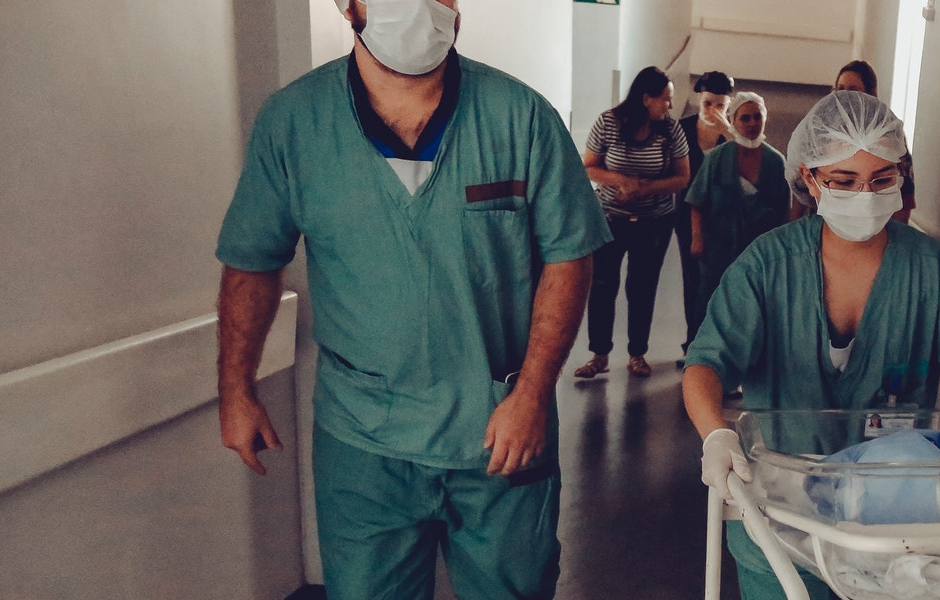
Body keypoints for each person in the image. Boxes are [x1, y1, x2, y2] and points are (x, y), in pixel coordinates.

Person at [214, 1, 609, 598]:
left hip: (498, 426)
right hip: (364, 442)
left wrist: (532, 393)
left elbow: (569, 255)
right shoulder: (295, 123)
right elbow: (252, 260)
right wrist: (236, 388)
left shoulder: (520, 117)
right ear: (349, 5)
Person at [682, 91, 940, 600]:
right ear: (810, 178)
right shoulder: (768, 266)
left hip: (893, 516)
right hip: (780, 506)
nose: (865, 195)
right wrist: (716, 435)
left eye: (881, 179)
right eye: (844, 181)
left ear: (901, 175)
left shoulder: (934, 273)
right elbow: (707, 363)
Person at [576, 67, 692, 378]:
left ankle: (637, 354)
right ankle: (599, 355)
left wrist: (644, 188)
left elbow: (682, 177)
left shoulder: (671, 131)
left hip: (654, 222)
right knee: (602, 285)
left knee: (642, 287)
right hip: (609, 218)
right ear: (645, 99)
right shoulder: (608, 123)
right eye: (665, 99)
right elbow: (589, 167)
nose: (670, 105)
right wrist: (622, 181)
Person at [685, 92, 788, 332]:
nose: (752, 123)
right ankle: (700, 347)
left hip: (757, 249)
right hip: (717, 248)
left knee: (752, 304)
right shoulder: (716, 158)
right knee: (710, 302)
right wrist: (697, 238)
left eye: (757, 117)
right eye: (745, 118)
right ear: (732, 121)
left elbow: (784, 212)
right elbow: (697, 202)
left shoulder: (776, 162)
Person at [788, 61, 918, 225]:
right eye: (840, 89)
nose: (845, 96)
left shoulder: (887, 132)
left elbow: (904, 192)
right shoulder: (821, 129)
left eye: (853, 90)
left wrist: (896, 233)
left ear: (870, 94)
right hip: (825, 222)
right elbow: (802, 184)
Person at [674, 71, 735, 362]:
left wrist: (728, 131)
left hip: (723, 216)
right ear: (699, 98)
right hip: (686, 214)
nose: (713, 110)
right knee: (692, 280)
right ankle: (692, 342)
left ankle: (716, 346)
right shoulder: (683, 128)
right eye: (708, 103)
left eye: (720, 105)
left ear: (728, 104)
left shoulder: (733, 132)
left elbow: (749, 158)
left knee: (722, 282)